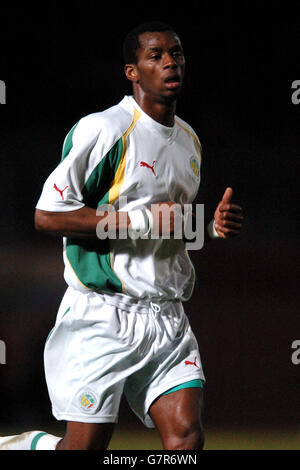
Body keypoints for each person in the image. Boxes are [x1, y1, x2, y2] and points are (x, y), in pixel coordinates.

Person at [0, 21, 243, 451]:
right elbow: (47, 216)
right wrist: (137, 223)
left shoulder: (189, 142)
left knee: (186, 439)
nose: (171, 62)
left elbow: (168, 225)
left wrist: (208, 227)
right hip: (102, 314)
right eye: (156, 55)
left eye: (177, 54)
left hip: (166, 316)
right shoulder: (104, 130)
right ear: (133, 72)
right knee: (84, 448)